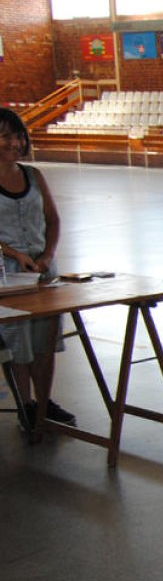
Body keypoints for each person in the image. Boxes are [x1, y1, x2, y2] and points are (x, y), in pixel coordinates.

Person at [0, 108, 76, 430]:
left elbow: (53, 220)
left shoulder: (34, 175)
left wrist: (47, 255)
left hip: (42, 271)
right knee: (19, 343)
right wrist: (12, 252)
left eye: (19, 136)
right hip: (7, 275)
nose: (15, 143)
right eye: (6, 136)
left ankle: (44, 402)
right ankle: (26, 404)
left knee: (46, 340)